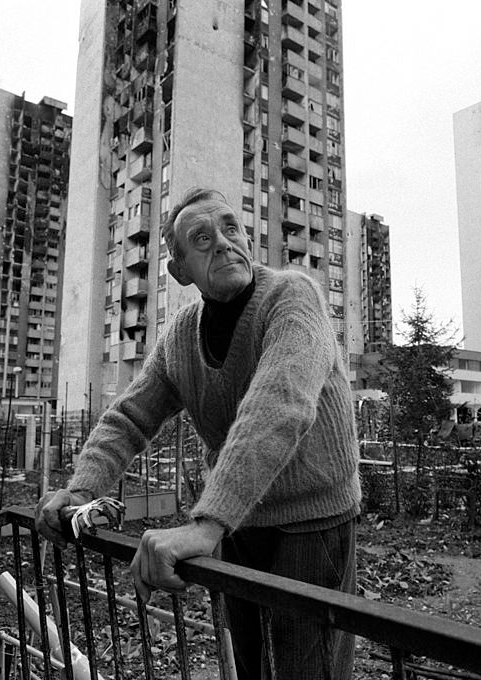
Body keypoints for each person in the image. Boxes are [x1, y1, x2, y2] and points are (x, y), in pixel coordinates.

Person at [36, 187, 361, 679]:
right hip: (241, 521)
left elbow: (279, 404)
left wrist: (205, 526)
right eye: (203, 238)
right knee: (251, 667)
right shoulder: (181, 337)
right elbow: (128, 419)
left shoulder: (293, 296)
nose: (225, 243)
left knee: (306, 670)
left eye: (232, 228)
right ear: (181, 270)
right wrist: (80, 491)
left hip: (312, 521)